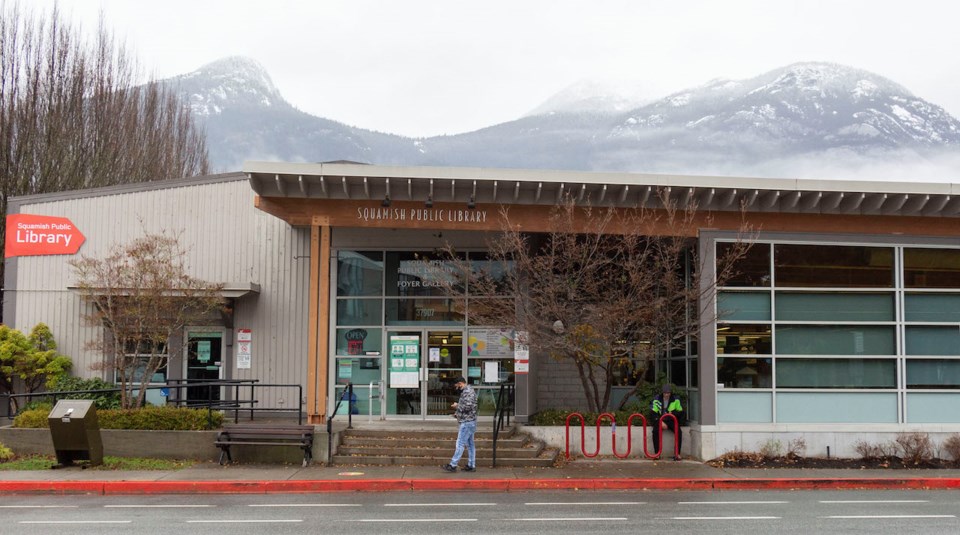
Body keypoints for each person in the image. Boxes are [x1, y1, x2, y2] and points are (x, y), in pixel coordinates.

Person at [442, 376, 478, 472]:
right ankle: (471, 464)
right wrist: (457, 414)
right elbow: (468, 407)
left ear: (460, 383)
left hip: (467, 422)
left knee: (460, 443)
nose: (457, 388)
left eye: (457, 386)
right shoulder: (469, 391)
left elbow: (467, 407)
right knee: (470, 444)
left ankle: (453, 464)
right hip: (470, 421)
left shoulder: (468, 392)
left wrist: (457, 406)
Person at [651, 383, 683, 460]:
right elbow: (653, 413)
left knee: (679, 432)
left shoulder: (675, 399)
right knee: (655, 431)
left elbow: (680, 412)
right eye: (665, 393)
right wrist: (659, 422)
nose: (667, 395)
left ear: (670, 393)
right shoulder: (657, 399)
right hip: (660, 420)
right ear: (662, 393)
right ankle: (657, 454)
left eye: (668, 393)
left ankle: (677, 453)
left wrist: (672, 413)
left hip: (671, 419)